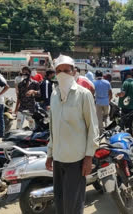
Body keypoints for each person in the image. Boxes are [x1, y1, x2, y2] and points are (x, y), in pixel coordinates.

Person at [45, 55, 99, 214]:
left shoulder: (84, 95)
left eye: (66, 71)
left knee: (73, 206)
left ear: (74, 72)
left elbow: (93, 128)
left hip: (76, 160)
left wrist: (89, 157)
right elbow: (52, 127)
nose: (62, 74)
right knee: (60, 203)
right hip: (58, 158)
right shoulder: (54, 95)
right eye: (59, 71)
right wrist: (50, 153)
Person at [116, 69, 133, 136]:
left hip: (125, 107)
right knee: (129, 126)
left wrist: (117, 94)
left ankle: (123, 138)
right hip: (131, 106)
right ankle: (130, 138)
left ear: (127, 75)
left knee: (122, 125)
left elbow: (122, 94)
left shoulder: (126, 82)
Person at [0, 69, 9, 137]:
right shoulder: (1, 77)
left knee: (0, 117)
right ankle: (1, 133)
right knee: (0, 117)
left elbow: (7, 87)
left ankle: (1, 133)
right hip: (0, 99)